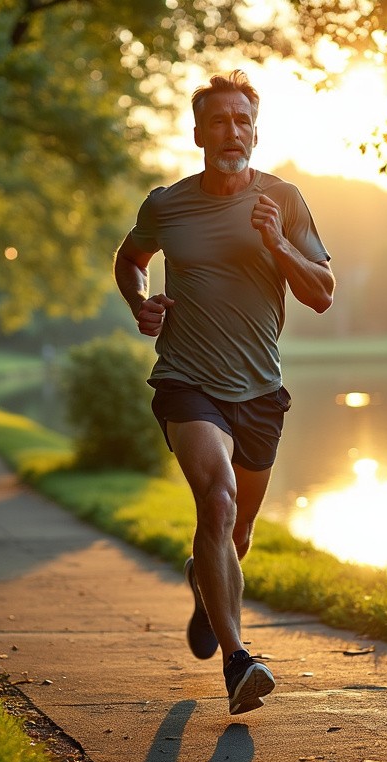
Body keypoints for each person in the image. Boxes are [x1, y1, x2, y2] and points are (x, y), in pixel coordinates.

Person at [113, 70, 334, 715]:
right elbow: (130, 258)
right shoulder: (167, 205)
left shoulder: (284, 201)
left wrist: (276, 242)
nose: (231, 131)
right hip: (186, 378)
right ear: (199, 133)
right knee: (218, 494)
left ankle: (205, 584)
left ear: (256, 130)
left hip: (261, 389)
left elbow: (320, 293)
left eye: (242, 119)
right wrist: (140, 302)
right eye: (218, 120)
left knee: (234, 534)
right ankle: (239, 662)